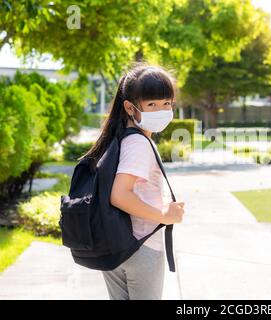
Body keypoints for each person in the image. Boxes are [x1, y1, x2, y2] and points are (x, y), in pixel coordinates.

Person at [82, 63, 185, 300]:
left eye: (166, 103)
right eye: (151, 104)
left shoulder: (121, 139)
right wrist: (164, 216)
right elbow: (120, 195)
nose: (161, 109)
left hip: (117, 246)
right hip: (142, 245)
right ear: (130, 107)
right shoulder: (138, 143)